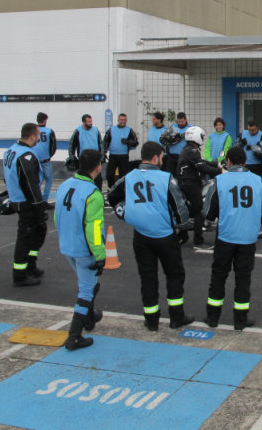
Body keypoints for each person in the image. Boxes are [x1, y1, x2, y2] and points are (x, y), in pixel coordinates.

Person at [108, 141, 195, 331]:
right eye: (162, 157)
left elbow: (112, 195)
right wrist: (183, 226)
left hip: (141, 235)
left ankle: (151, 320)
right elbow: (179, 206)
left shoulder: (129, 177)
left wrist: (124, 212)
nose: (163, 161)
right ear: (156, 158)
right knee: (174, 274)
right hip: (165, 236)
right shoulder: (166, 178)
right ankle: (176, 317)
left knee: (147, 277)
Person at [202, 146, 262, 330]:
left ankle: (212, 318)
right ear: (245, 162)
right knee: (243, 278)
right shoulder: (257, 181)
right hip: (247, 238)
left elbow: (208, 213)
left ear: (229, 162)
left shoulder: (219, 180)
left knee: (218, 276)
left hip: (225, 236)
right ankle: (240, 320)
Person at [54, 149, 106, 350]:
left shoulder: (64, 186)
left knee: (87, 283)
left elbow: (58, 218)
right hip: (84, 250)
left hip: (67, 245)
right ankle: (74, 336)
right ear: (98, 167)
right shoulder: (93, 193)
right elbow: (94, 228)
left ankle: (90, 317)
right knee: (86, 289)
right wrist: (100, 255)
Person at [3, 123, 47, 287]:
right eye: (38, 135)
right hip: (26, 203)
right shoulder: (25, 155)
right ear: (32, 136)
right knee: (25, 238)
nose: (38, 138)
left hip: (18, 200)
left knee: (38, 232)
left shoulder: (11, 150)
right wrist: (39, 206)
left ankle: (30, 265)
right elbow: (30, 185)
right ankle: (20, 275)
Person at [176, 127, 222, 249]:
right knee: (200, 210)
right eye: (201, 137)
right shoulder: (192, 151)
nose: (202, 139)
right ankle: (198, 241)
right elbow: (201, 167)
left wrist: (214, 163)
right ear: (195, 137)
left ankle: (183, 233)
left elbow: (200, 162)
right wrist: (219, 170)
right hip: (189, 183)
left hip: (186, 182)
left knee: (195, 207)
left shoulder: (189, 149)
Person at [103, 113, 139, 189]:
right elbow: (106, 141)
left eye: (124, 120)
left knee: (123, 175)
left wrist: (127, 142)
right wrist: (104, 152)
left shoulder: (129, 130)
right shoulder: (112, 129)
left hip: (124, 156)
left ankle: (121, 190)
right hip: (113, 156)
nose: (123, 121)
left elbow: (135, 142)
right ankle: (111, 188)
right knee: (109, 174)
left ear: (126, 120)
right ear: (118, 120)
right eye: (121, 120)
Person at [69, 114, 104, 191]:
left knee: (98, 179)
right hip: (84, 159)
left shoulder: (95, 130)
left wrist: (103, 155)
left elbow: (100, 143)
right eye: (88, 122)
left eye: (91, 121)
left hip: (95, 158)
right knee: (84, 178)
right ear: (84, 122)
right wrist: (72, 157)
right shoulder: (78, 131)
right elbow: (72, 145)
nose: (91, 123)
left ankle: (98, 195)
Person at [32, 112, 57, 209]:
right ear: (45, 120)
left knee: (37, 181)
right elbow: (53, 146)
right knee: (49, 180)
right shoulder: (49, 131)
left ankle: (36, 201)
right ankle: (44, 201)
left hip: (35, 160)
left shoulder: (33, 131)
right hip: (45, 160)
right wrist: (49, 155)